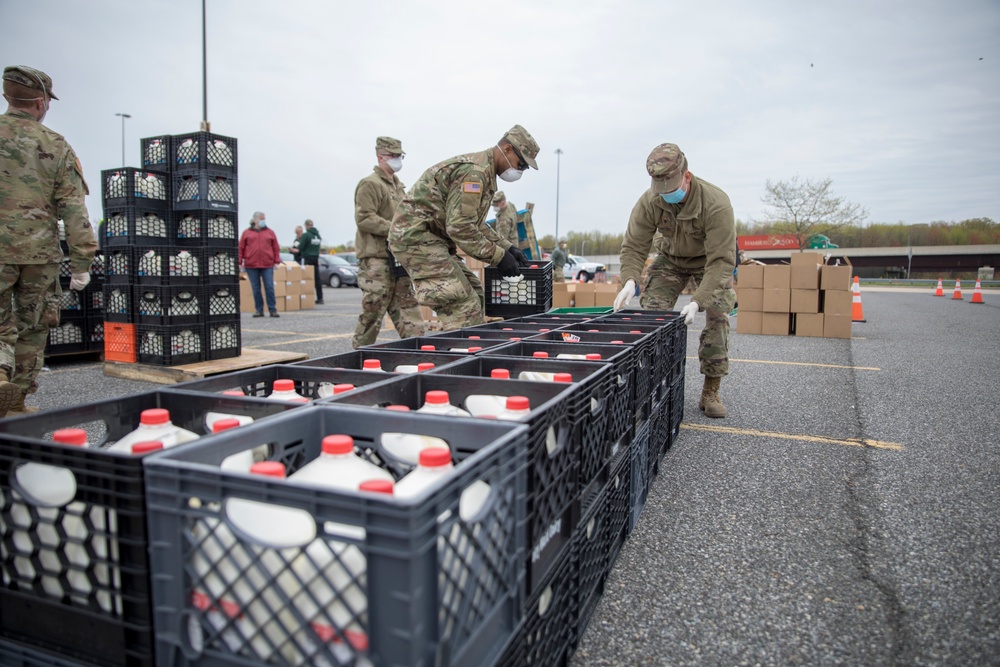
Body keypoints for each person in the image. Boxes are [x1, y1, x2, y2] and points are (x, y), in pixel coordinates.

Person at [0, 66, 98, 418]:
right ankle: (17, 401)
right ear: (40, 102)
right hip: (37, 252)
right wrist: (82, 263)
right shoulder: (55, 146)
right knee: (33, 325)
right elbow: (74, 209)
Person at [614, 143, 736, 418]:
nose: (666, 195)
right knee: (653, 318)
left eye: (671, 187)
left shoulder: (716, 204)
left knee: (718, 317)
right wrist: (630, 281)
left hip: (708, 263)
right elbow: (634, 245)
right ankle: (654, 382)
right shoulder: (650, 200)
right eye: (661, 190)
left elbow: (722, 262)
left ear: (687, 176)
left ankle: (711, 389)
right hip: (670, 260)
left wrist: (697, 302)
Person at [388, 125, 539, 330]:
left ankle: (467, 352)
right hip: (416, 238)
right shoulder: (475, 173)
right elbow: (460, 228)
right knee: (463, 306)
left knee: (476, 294)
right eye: (520, 164)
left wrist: (507, 248)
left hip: (430, 239)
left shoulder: (484, 173)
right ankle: (461, 357)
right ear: (508, 149)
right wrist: (499, 257)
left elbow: (474, 224)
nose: (520, 170)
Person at [352, 136, 424, 347]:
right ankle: (359, 358)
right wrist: (396, 230)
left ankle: (419, 354)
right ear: (380, 156)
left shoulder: (398, 187)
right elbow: (364, 218)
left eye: (399, 156)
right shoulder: (370, 184)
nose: (397, 160)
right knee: (373, 312)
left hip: (398, 259)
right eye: (393, 156)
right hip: (377, 260)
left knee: (409, 310)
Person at [238, 211, 282, 318]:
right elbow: (241, 248)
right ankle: (259, 310)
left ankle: (272, 309)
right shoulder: (246, 233)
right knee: (256, 288)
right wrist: (239, 262)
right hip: (251, 265)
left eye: (264, 219)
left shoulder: (270, 232)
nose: (263, 221)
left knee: (269, 287)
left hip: (267, 264)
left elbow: (275, 248)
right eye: (261, 218)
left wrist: (277, 261)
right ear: (255, 220)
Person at [299, 219, 324, 304]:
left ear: (306, 226)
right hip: (315, 258)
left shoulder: (306, 235)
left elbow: (301, 247)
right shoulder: (317, 235)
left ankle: (307, 298)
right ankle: (320, 297)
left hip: (307, 258)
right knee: (317, 279)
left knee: (307, 278)